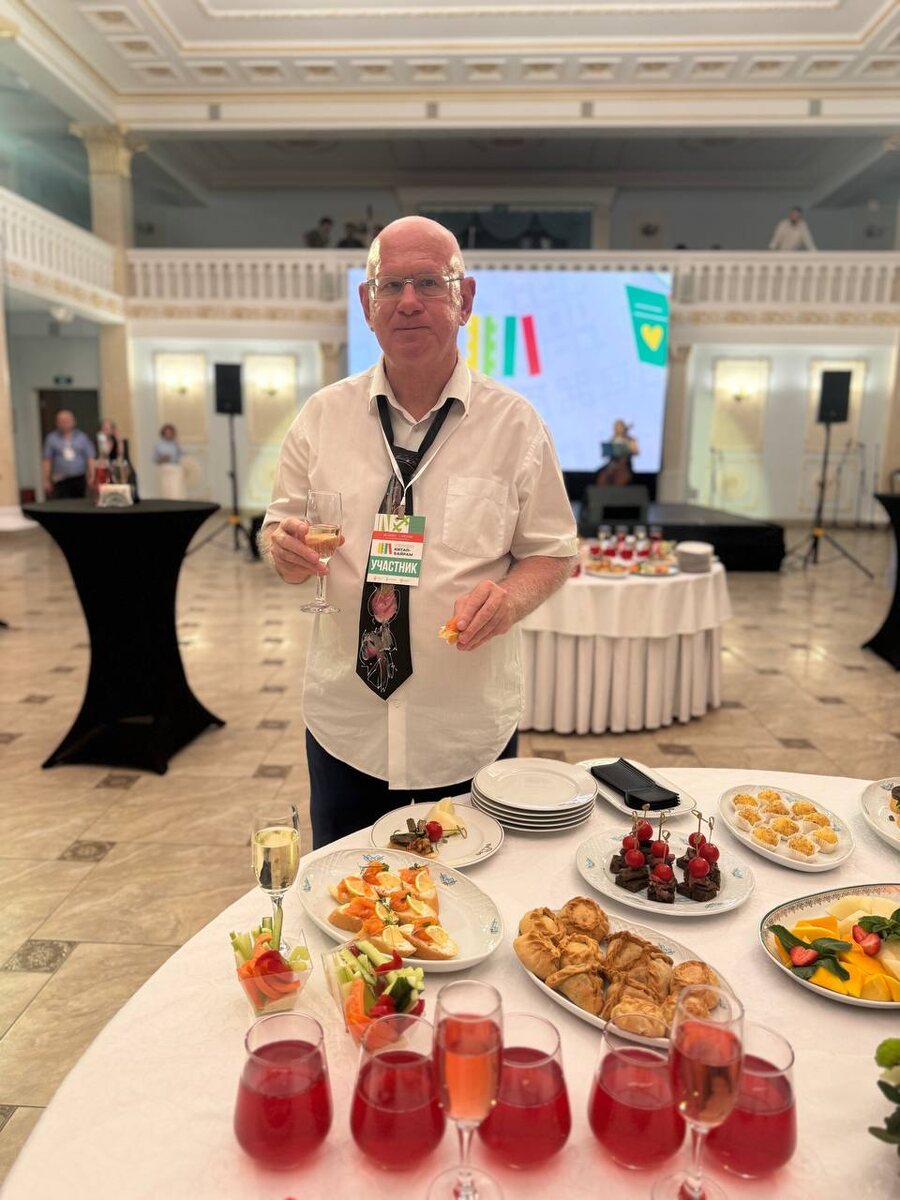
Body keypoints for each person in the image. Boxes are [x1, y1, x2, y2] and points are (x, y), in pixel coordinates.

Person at [261, 216, 578, 847]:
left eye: (430, 283)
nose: (409, 301)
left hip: (464, 730)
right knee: (347, 894)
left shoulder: (515, 425)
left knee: (474, 889)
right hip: (346, 725)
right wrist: (282, 549)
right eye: (391, 284)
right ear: (366, 303)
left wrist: (510, 599)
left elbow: (552, 553)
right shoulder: (321, 417)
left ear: (465, 299)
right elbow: (277, 528)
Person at [42, 410, 96, 500]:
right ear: (57, 423)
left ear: (74, 422)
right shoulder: (51, 439)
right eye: (62, 421)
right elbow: (47, 460)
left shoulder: (82, 437)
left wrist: (92, 475)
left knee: (79, 502)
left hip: (79, 477)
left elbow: (90, 458)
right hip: (60, 479)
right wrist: (46, 480)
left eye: (67, 421)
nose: (65, 424)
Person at [596, 419, 639, 486]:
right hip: (612, 463)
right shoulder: (613, 439)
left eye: (619, 428)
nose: (617, 430)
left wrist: (628, 447)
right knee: (601, 474)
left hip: (625, 464)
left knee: (621, 477)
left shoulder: (630, 439)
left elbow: (636, 452)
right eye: (616, 428)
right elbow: (608, 452)